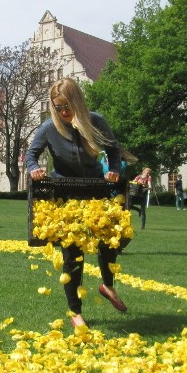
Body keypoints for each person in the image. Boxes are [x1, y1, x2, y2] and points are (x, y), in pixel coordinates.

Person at [25, 78, 127, 329]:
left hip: (95, 192)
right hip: (65, 195)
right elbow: (31, 155)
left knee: (108, 241)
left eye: (67, 105)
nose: (64, 112)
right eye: (58, 107)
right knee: (72, 254)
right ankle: (75, 311)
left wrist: (113, 170)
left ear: (78, 102)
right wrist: (35, 169)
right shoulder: (50, 127)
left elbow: (114, 150)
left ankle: (107, 285)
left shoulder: (96, 121)